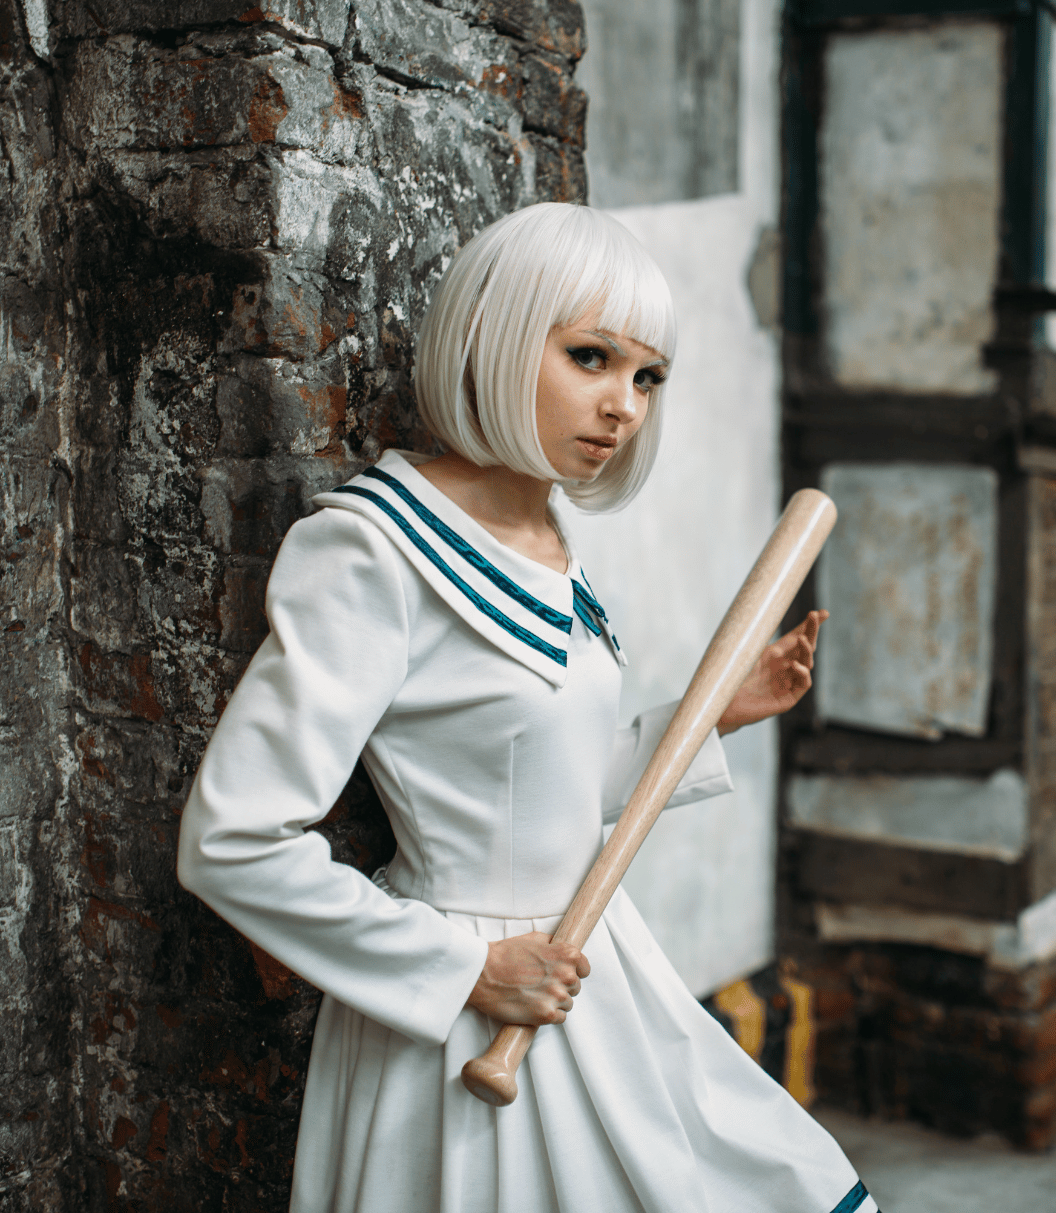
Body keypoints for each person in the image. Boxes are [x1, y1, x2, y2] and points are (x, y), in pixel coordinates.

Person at [177, 203, 876, 1213]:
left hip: (590, 975)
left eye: (646, 377)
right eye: (591, 357)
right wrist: (466, 971)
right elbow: (231, 843)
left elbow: (542, 790)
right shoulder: (374, 552)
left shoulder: (551, 545)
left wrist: (711, 714)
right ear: (495, 336)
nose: (625, 405)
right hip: (461, 1021)